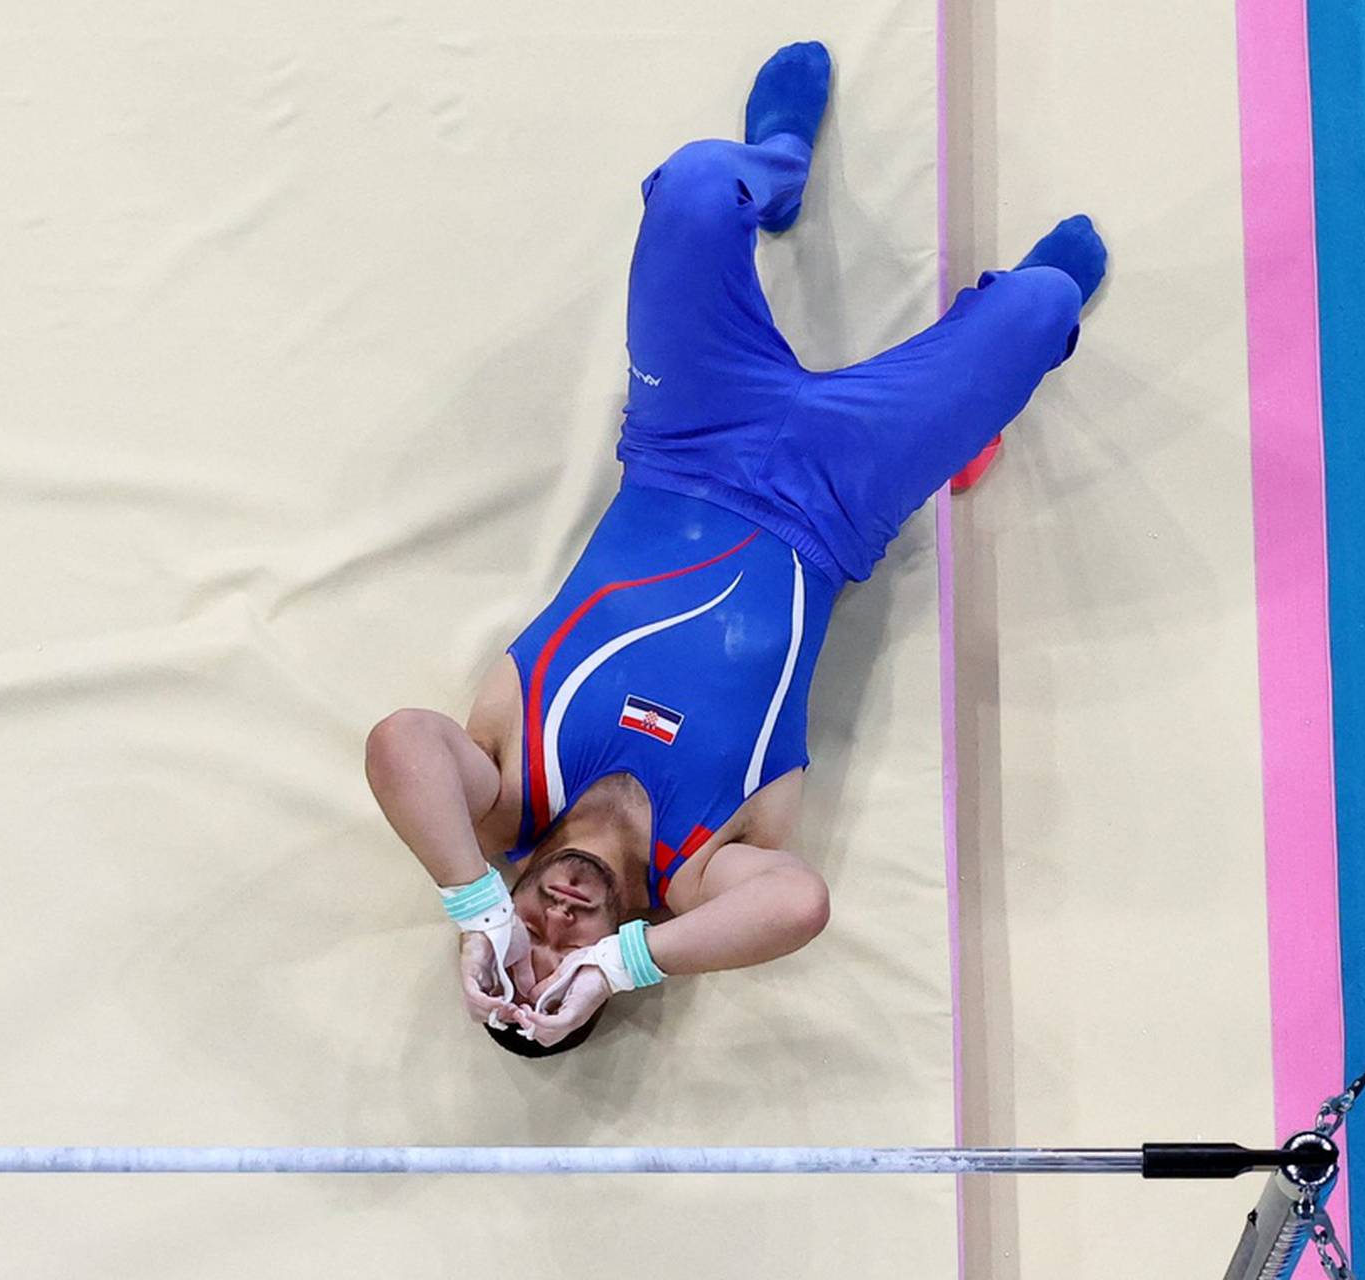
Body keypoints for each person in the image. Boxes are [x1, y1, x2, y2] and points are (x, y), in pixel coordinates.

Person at [364, 40, 1106, 1054]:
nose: (553, 920)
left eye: (522, 933)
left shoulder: (505, 794)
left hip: (684, 441)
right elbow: (798, 904)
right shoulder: (700, 868)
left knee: (702, 185)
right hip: (839, 497)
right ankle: (962, 420)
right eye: (565, 954)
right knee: (1043, 303)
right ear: (619, 944)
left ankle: (782, 161)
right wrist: (626, 967)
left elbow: (401, 740)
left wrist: (470, 906)